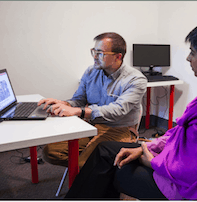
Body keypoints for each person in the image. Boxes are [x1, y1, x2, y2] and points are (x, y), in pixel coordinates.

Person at [64, 19, 197, 200]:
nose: (188, 58)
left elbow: (192, 170)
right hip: (173, 161)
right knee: (105, 150)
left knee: (109, 163)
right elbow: (181, 136)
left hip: (184, 186)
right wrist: (149, 147)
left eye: (193, 52)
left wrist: (151, 161)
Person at [38, 32, 147, 168]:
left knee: (83, 164)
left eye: (100, 53)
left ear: (118, 57)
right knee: (51, 152)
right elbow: (79, 100)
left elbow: (118, 110)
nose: (95, 57)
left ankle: (94, 170)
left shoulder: (136, 80)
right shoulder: (91, 72)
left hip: (120, 129)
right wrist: (64, 104)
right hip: (92, 126)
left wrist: (78, 111)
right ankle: (99, 169)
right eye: (94, 51)